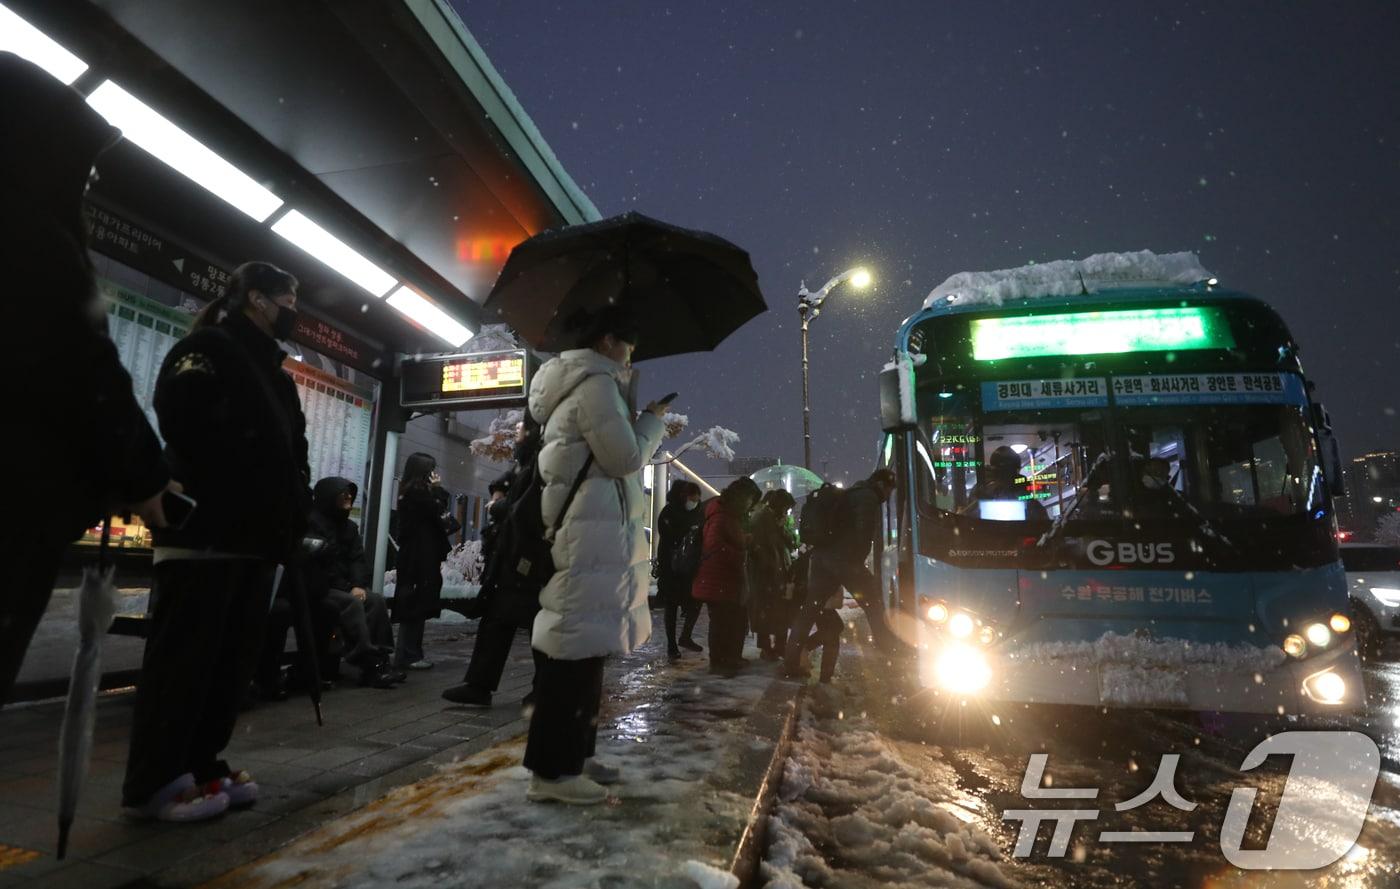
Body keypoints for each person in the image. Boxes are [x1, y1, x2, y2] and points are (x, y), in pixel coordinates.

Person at [0, 52, 177, 707]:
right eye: (83, 163)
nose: (89, 179)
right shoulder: (31, 236)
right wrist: (146, 478)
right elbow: (84, 367)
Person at [121, 260, 311, 822]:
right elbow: (185, 419)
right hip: (205, 534)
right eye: (289, 298)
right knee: (184, 664)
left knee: (227, 667)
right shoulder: (208, 349)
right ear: (257, 298)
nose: (295, 311)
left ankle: (202, 763)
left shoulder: (272, 371)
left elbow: (288, 453)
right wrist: (243, 485)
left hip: (253, 541)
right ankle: (154, 782)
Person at [523, 307, 666, 805]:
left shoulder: (590, 381)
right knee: (571, 655)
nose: (631, 355)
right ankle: (551, 773)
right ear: (609, 341)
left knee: (585, 651)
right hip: (588, 537)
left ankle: (575, 757)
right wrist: (652, 422)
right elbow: (624, 458)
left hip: (594, 534)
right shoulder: (594, 384)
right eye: (629, 345)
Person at [442, 417, 547, 708]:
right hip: (514, 559)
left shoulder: (543, 461)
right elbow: (506, 483)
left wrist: (500, 506)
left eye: (521, 429)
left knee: (537, 625)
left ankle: (542, 689)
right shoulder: (530, 460)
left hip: (528, 560)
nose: (516, 432)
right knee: (500, 621)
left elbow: (529, 508)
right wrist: (498, 492)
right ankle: (479, 684)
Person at [784, 468, 899, 680]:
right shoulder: (868, 497)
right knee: (874, 603)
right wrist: (855, 563)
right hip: (844, 559)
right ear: (883, 485)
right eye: (890, 490)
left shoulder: (852, 492)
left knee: (809, 609)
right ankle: (890, 649)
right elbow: (863, 533)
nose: (888, 495)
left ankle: (790, 661)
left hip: (822, 556)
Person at [303, 477, 397, 688]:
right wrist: (349, 588)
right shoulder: (312, 523)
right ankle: (367, 662)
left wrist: (358, 584)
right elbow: (322, 565)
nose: (349, 497)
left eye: (350, 493)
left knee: (376, 601)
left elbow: (357, 559)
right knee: (352, 604)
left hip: (343, 586)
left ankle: (381, 658)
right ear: (329, 497)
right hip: (321, 587)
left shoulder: (349, 527)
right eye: (343, 493)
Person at [692, 478, 762, 675]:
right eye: (749, 499)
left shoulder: (729, 515)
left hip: (724, 579)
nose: (750, 504)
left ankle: (729, 658)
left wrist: (744, 540)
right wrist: (741, 554)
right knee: (722, 622)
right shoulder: (721, 516)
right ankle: (720, 662)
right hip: (717, 578)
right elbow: (714, 546)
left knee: (733, 620)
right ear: (740, 496)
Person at [392, 453, 452, 672]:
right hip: (420, 558)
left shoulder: (408, 492)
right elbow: (438, 513)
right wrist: (437, 490)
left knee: (414, 604)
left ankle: (409, 653)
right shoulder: (418, 494)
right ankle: (409, 655)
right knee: (416, 605)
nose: (434, 475)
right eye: (431, 470)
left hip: (415, 557)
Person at [654, 480, 704, 659]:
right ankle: (671, 644)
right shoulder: (668, 513)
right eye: (692, 497)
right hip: (671, 567)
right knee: (671, 606)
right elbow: (667, 539)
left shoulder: (698, 512)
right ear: (682, 496)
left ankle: (685, 637)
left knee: (696, 601)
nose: (695, 501)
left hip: (690, 567)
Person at [748, 490, 797, 661]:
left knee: (780, 610)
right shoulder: (761, 518)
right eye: (785, 508)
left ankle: (779, 646)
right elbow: (759, 548)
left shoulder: (776, 519)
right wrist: (770, 568)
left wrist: (782, 527)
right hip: (766, 574)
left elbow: (791, 543)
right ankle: (767, 647)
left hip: (778, 572)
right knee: (766, 611)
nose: (786, 512)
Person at [966, 445, 1048, 522]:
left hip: (986, 534)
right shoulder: (1021, 488)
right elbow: (1040, 520)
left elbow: (970, 519)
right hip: (1019, 533)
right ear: (1017, 469)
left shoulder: (981, 488)